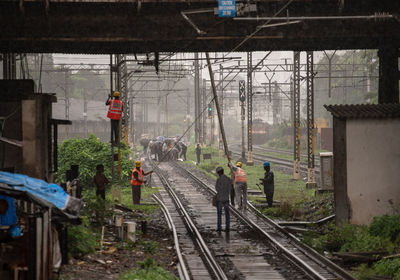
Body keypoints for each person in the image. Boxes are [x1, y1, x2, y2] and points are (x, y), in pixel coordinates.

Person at [215, 166, 230, 232]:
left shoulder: (218, 180)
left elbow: (217, 188)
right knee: (227, 214)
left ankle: (219, 227)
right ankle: (227, 227)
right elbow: (230, 188)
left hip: (220, 199)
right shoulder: (227, 179)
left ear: (218, 173)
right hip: (226, 198)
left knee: (219, 214)